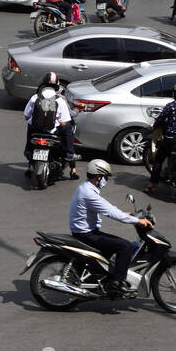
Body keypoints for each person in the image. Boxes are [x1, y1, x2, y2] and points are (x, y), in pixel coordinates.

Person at [70, 160, 152, 296]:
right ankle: (116, 284)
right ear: (98, 176)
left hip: (85, 231)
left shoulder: (87, 188)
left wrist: (124, 214)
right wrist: (137, 221)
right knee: (124, 246)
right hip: (86, 234)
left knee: (111, 249)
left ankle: (104, 277)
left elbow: (106, 206)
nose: (106, 180)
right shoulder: (89, 193)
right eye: (106, 177)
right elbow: (111, 212)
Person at [23, 73, 75, 162]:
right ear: (57, 86)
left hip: (36, 130)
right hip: (53, 131)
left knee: (30, 124)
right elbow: (63, 122)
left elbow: (26, 117)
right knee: (68, 127)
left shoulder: (35, 97)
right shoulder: (59, 100)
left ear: (43, 85)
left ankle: (28, 150)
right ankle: (69, 153)